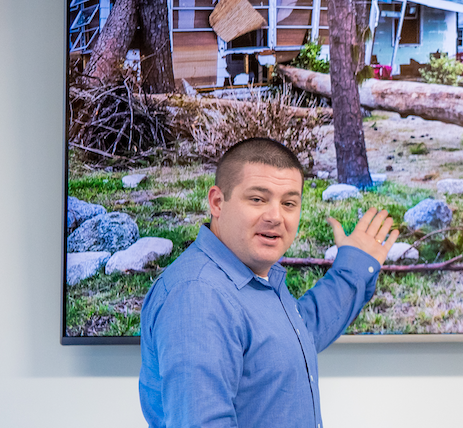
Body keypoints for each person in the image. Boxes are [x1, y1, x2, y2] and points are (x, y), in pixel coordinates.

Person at [139, 137, 399, 428]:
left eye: (288, 203)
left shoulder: (252, 275)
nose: (275, 216)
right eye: (257, 199)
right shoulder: (198, 295)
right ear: (217, 202)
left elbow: (298, 334)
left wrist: (353, 268)